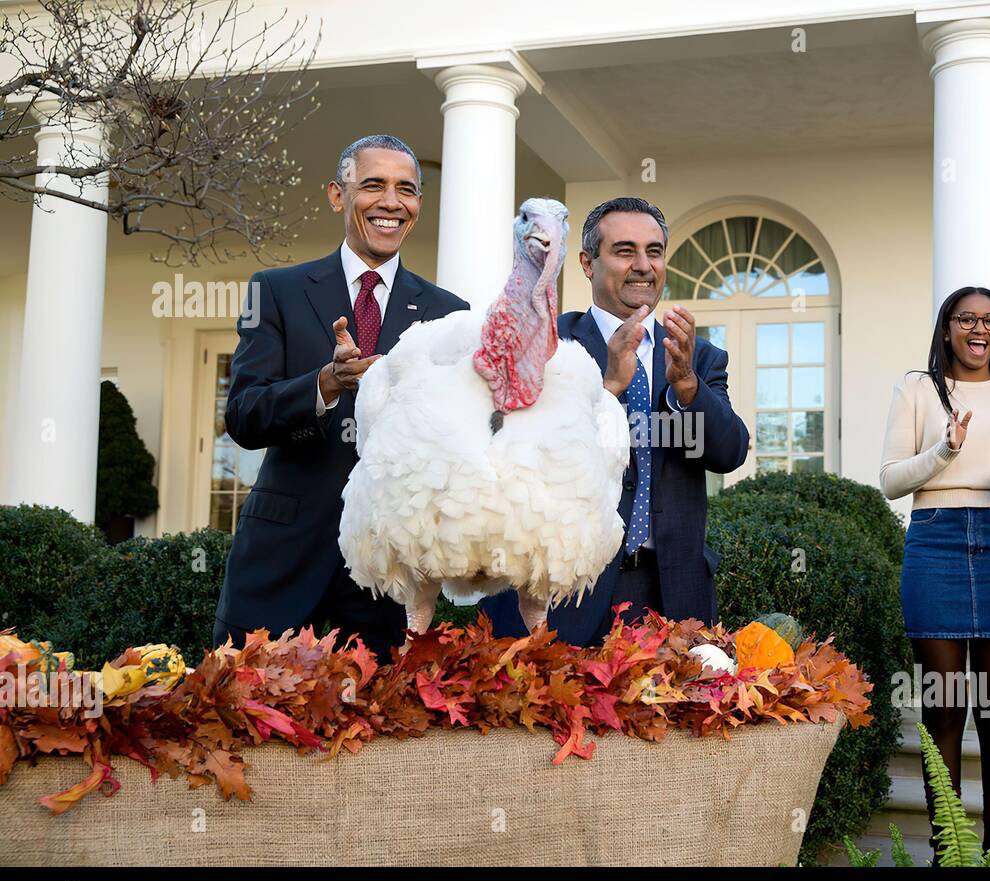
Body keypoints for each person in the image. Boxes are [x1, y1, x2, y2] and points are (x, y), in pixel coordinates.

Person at [212, 134, 469, 662]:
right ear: (337, 194)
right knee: (246, 724)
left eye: (407, 190)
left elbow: (458, 440)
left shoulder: (450, 313)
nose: (392, 202)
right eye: (373, 185)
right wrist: (325, 382)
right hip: (282, 560)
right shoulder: (275, 291)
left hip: (390, 576)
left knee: (378, 734)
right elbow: (243, 414)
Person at [482, 197, 749, 646]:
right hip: (563, 591)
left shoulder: (698, 357)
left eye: (655, 251)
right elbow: (510, 450)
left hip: (671, 597)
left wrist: (686, 384)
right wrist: (607, 388)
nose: (643, 265)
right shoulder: (546, 343)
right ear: (587, 262)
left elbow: (729, 453)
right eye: (625, 251)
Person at [880, 286, 990, 866]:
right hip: (935, 540)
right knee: (944, 709)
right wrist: (944, 451)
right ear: (946, 327)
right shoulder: (918, 388)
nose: (979, 330)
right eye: (966, 319)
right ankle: (949, 846)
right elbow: (892, 480)